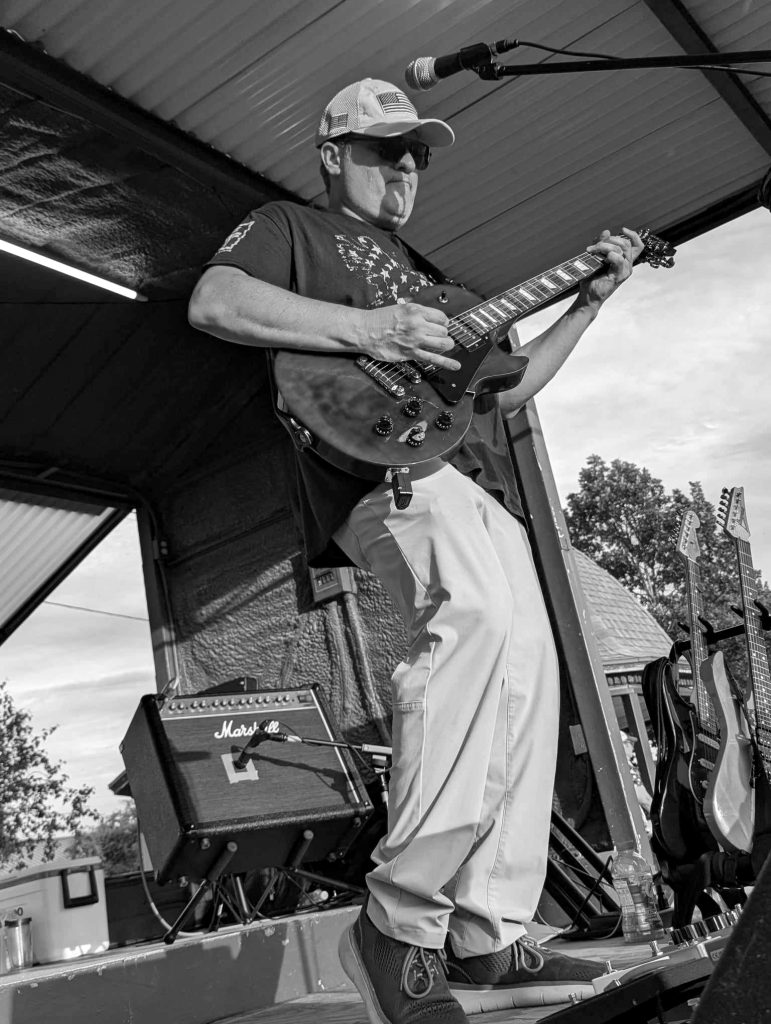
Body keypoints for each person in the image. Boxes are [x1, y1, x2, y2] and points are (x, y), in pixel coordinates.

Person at [189, 78, 644, 1024]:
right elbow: (215, 302)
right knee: (474, 619)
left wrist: (588, 304)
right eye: (383, 150)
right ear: (331, 153)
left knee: (524, 662)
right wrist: (367, 327)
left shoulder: (436, 285)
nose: (404, 170)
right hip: (377, 477)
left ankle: (489, 933)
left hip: (463, 482)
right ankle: (398, 921)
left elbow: (508, 397)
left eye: (416, 157)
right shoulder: (290, 228)